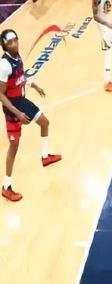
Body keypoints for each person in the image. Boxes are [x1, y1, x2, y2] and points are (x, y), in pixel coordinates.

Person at [0, 29, 61, 202]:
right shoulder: (4, 65)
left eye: (15, 40)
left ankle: (45, 157)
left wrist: (34, 85)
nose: (14, 44)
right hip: (12, 109)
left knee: (44, 122)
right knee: (14, 147)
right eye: (10, 42)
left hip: (21, 101)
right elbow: (1, 94)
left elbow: (21, 77)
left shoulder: (17, 57)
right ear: (4, 45)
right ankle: (6, 187)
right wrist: (17, 113)